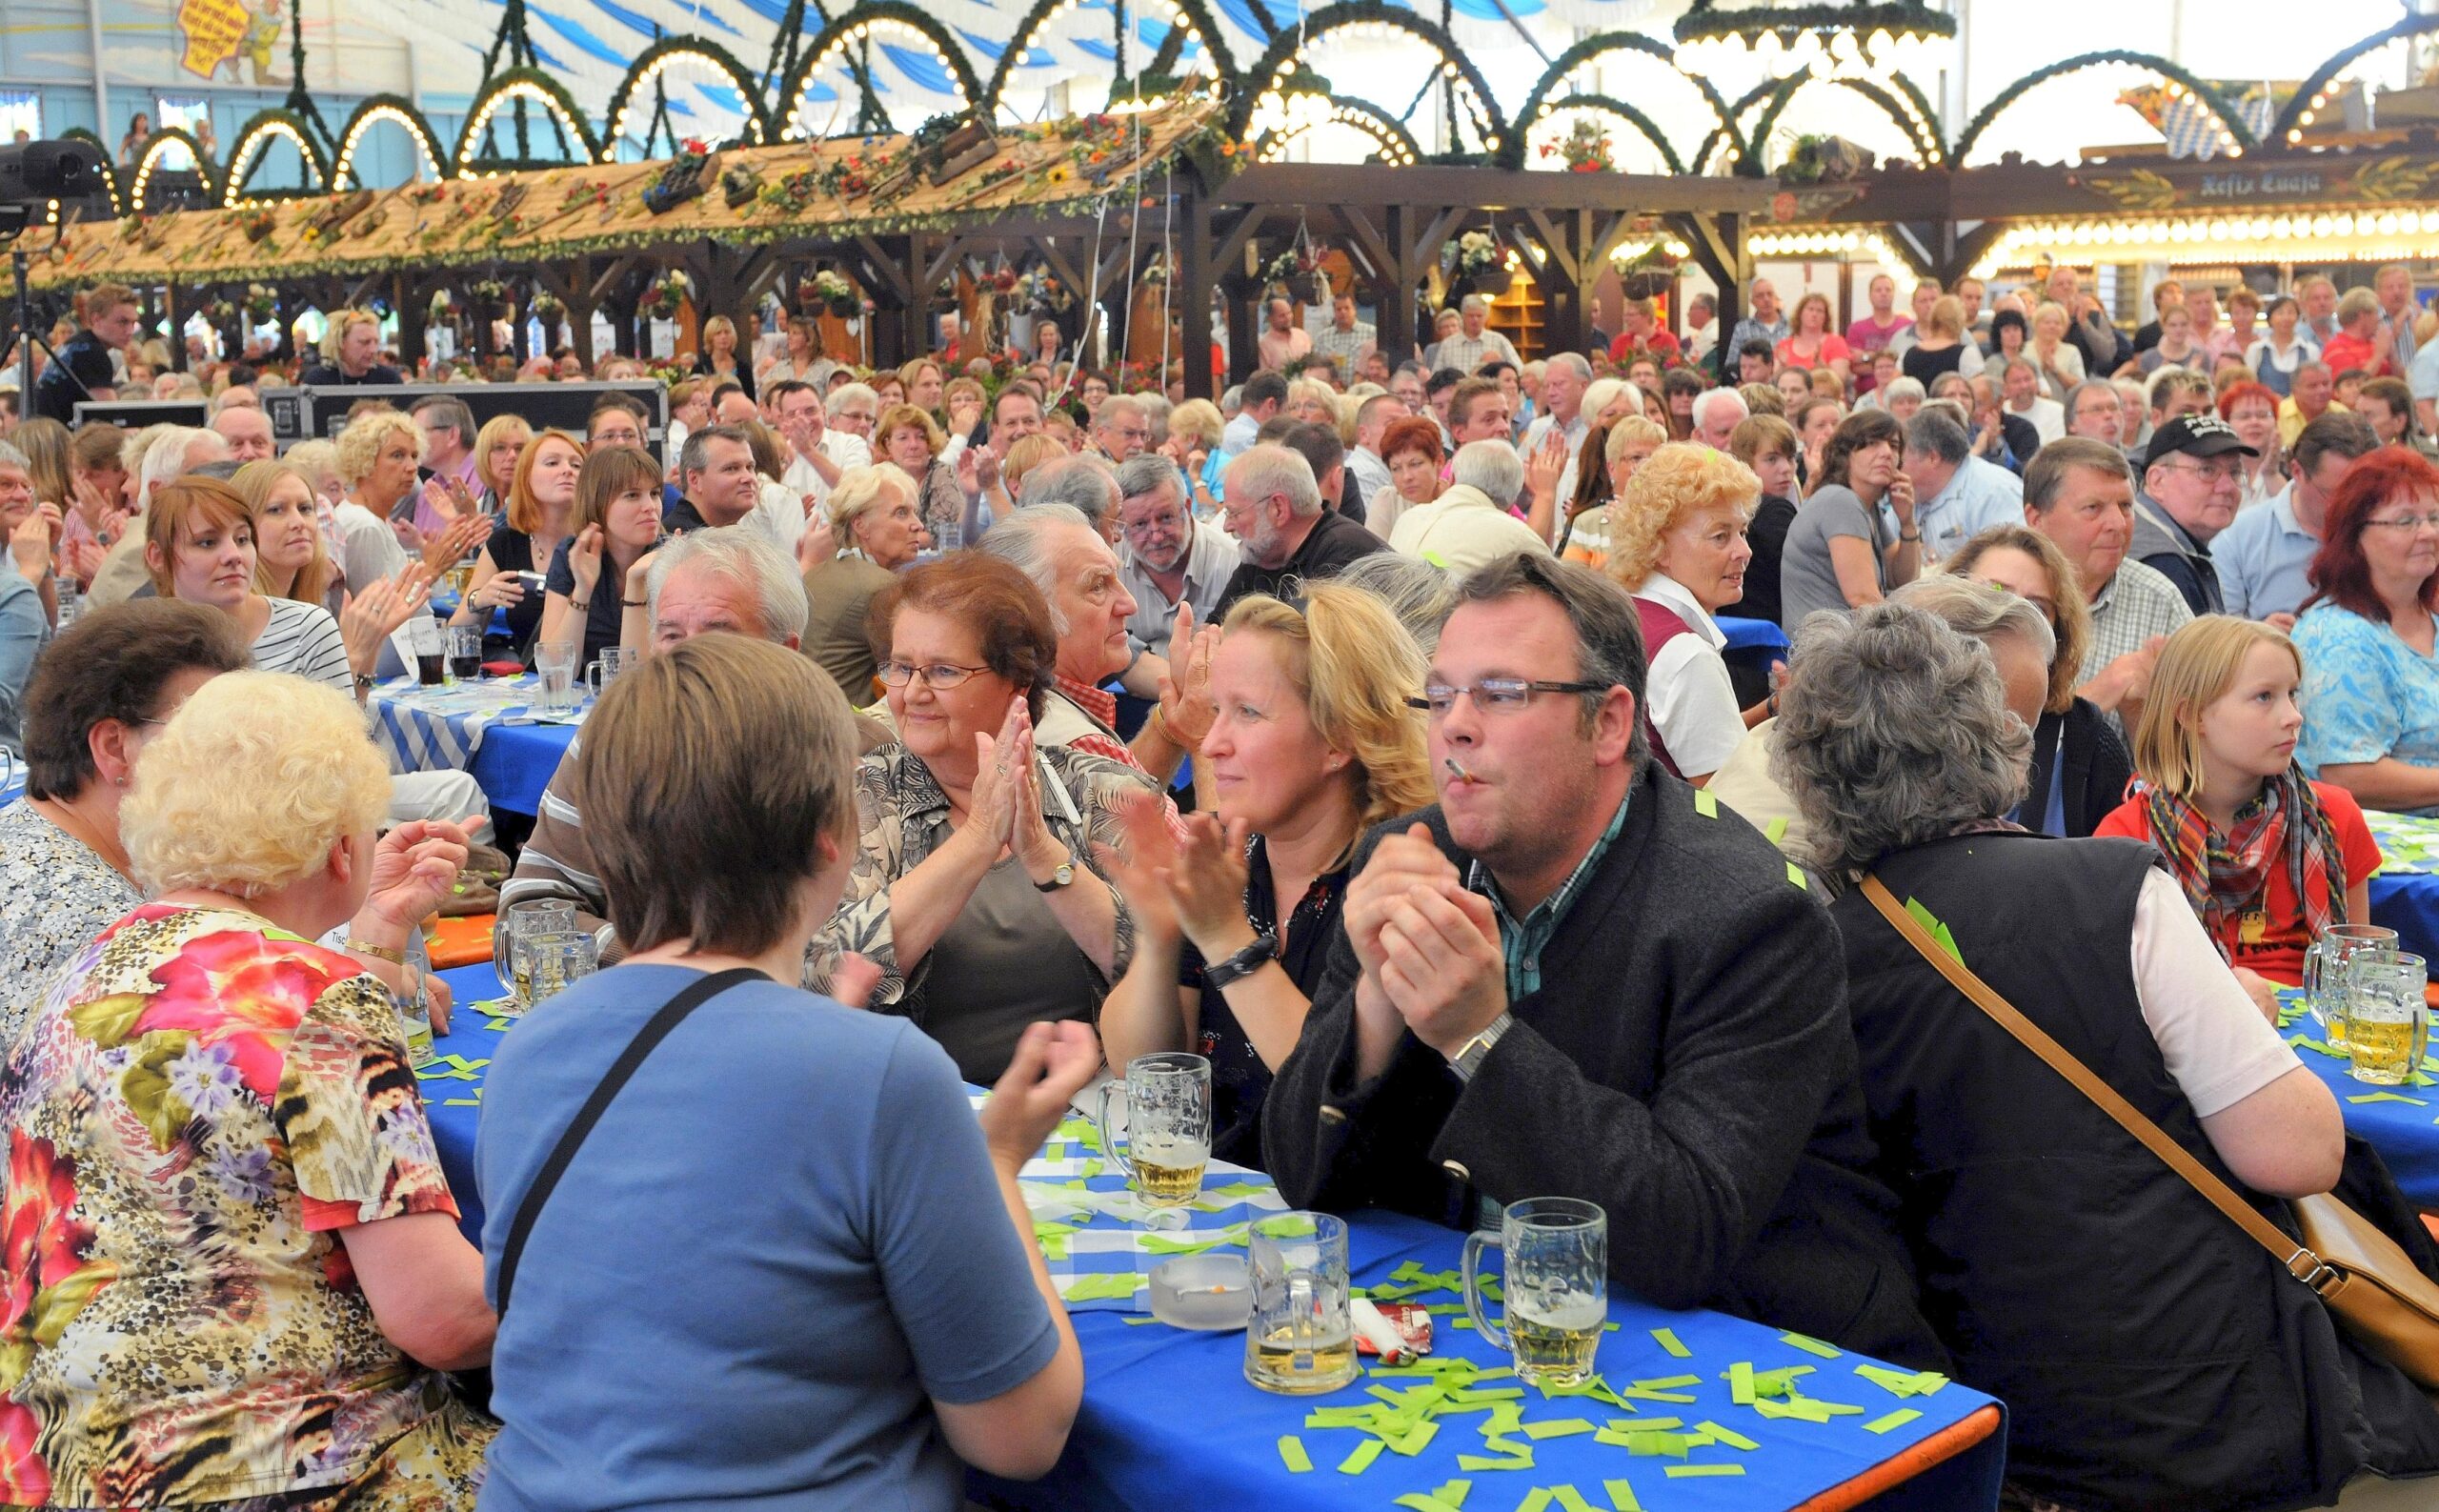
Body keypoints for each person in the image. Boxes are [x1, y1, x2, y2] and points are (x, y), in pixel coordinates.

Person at [1779, 599, 2439, 1512]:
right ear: (1994, 741)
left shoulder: (1814, 946)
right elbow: (2299, 1153)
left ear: (1812, 771)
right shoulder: (2108, 885)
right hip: (2196, 1386)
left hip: (1972, 1408)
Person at [1260, 553, 1939, 1364]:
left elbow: (1683, 1235)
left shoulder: (1751, 913)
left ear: (1611, 724)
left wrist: (1478, 1035)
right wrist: (1374, 1001)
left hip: (1752, 1364)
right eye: (1440, 696)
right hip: (1480, 1336)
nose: (1455, 726)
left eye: (1502, 693)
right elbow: (1301, 1176)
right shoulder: (1407, 854)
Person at [477, 634, 1088, 1511]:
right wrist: (994, 1167)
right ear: (832, 842)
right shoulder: (877, 1076)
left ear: (601, 843)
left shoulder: (532, 1050)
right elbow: (1022, 1433)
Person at [0, 671, 498, 1506]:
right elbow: (440, 1318)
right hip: (272, 1471)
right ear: (343, 847)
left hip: (60, 1465)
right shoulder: (320, 1001)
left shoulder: (93, 965)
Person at [1099, 584, 1433, 1167]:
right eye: (1216, 711)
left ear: (1339, 738)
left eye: (1248, 713)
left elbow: (1336, 1092)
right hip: (1224, 1209)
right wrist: (1158, 939)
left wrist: (1228, 938)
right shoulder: (1235, 863)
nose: (1214, 741)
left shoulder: (1397, 876)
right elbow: (1141, 1065)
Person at [807, 554, 1148, 1081]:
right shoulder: (860, 796)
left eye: (943, 671)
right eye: (900, 667)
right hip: (918, 1113)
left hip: (1085, 1112)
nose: (913, 692)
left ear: (1015, 681)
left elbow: (1163, 973)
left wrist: (1042, 854)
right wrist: (977, 841)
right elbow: (818, 977)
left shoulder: (1096, 790)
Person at [505, 526, 889, 951]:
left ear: (786, 650)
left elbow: (870, 936)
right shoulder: (615, 742)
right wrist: (653, 966)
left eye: (719, 634)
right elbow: (529, 907)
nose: (690, 656)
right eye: (672, 635)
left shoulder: (857, 754)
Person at [2096, 615, 2375, 1008]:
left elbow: (2361, 970)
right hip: (2192, 1043)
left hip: (2322, 1036)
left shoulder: (2334, 814)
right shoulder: (2126, 835)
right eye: (2265, 697)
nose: (2293, 716)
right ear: (2192, 716)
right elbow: (2115, 994)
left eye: (2292, 693)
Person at [0, 600, 246, 1030]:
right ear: (115, 748)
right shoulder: (98, 925)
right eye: (206, 735)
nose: (236, 762)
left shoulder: (32, 830)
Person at [1945, 525, 2134, 838]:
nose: (2013, 613)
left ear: (2057, 635)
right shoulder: (1901, 710)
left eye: (2037, 607)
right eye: (1995, 591)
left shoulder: (2087, 743)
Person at [2293, 446, 2439, 816]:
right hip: (2381, 851)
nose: (2427, 533)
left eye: (2434, 517)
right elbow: (2350, 776)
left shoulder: (2429, 619)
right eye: (2406, 521)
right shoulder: (2339, 636)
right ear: (2355, 537)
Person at [1602, 442, 1757, 785]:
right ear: (1659, 548)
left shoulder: (1622, 610)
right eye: (1721, 536)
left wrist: (1771, 712)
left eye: (1742, 532)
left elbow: (1684, 740)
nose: (1744, 550)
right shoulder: (1687, 656)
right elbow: (1730, 801)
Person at [2022, 437, 2192, 739]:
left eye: (2126, 506)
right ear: (2037, 519)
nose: (2118, 523)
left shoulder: (2158, 597)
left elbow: (2187, 754)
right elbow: (1986, 745)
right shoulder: (1999, 592)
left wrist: (2138, 710)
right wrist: (2095, 697)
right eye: (2093, 508)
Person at [2218, 412, 2379, 628]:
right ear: (2297, 472)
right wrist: (2259, 634)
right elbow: (2219, 638)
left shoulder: (2391, 529)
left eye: (2365, 495)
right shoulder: (2238, 538)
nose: (2352, 506)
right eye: (2337, 495)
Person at [454, 428, 581, 663]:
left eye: (577, 465)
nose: (567, 470)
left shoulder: (599, 543)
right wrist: (479, 600)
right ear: (526, 477)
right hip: (529, 684)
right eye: (552, 463)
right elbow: (456, 640)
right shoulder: (506, 542)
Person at [1779, 409, 1917, 624]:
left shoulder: (1868, 508)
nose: (1886, 453)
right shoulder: (1840, 501)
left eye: (1894, 445)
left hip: (1843, 643)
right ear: (1845, 455)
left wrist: (1907, 523)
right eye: (1872, 443)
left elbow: (1902, 580)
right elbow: (1863, 599)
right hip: (1824, 650)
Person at [802, 465, 926, 702]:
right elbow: (918, 668)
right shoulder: (879, 587)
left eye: (915, 512)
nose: (918, 525)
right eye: (901, 513)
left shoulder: (822, 571)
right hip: (845, 727)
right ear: (860, 525)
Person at [1216, 443, 1387, 614]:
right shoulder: (1264, 553)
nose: (1227, 526)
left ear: (1278, 509)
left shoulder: (1346, 558)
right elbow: (1213, 625)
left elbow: (1295, 638)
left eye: (1234, 513)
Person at [536, 444, 663, 672]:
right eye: (633, 495)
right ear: (597, 503)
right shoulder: (572, 555)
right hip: (590, 698)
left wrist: (636, 581)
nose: (650, 507)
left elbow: (640, 678)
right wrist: (583, 591)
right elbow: (555, 670)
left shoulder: (671, 558)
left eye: (654, 493)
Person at [1116, 453, 1237, 663]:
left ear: (1187, 508)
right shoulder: (1110, 564)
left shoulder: (1231, 563)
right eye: (1140, 525)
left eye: (1165, 518)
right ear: (1121, 523)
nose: (1156, 535)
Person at [2134, 413, 2250, 615]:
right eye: (2207, 470)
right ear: (2157, 481)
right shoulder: (2164, 564)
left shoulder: (2160, 537)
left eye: (2235, 472)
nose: (2227, 487)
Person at [1388, 440, 1550, 577]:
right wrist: (1547, 493)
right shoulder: (1515, 534)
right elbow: (1553, 594)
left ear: (1451, 479)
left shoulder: (1408, 518)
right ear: (1512, 501)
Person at [1904, 407, 2024, 565]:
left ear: (1933, 458)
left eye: (1901, 457)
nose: (1894, 465)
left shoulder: (1992, 492)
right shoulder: (1909, 492)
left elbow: (2011, 572)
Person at [1715, 413, 1800, 627]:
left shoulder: (1729, 506)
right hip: (1771, 629)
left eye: (1790, 458)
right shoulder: (1774, 509)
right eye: (1772, 459)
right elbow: (1798, 572)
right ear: (1746, 464)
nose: (1786, 468)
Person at [233, 457, 339, 615]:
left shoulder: (312, 602)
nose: (299, 522)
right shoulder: (236, 612)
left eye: (305, 508)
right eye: (276, 510)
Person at [31, 283, 137, 425]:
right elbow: (110, 418)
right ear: (96, 319)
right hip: (60, 440)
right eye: (123, 322)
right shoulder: (92, 353)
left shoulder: (76, 345)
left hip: (44, 433)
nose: (130, 331)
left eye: (133, 323)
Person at [1365, 414, 1445, 543]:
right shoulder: (1387, 500)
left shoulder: (1456, 500)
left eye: (1415, 464)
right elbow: (1374, 557)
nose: (1407, 477)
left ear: (1439, 462)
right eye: (1396, 468)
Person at [301, 308, 404, 386]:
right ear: (341, 342)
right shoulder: (317, 381)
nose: (373, 350)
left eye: (376, 342)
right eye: (364, 342)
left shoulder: (389, 380)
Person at [1844, 273, 1911, 393]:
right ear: (1870, 296)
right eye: (1878, 290)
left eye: (1888, 290)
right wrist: (1893, 365)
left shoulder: (1908, 326)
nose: (1883, 293)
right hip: (1866, 393)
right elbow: (1854, 366)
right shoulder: (1856, 328)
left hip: (1901, 393)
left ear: (1894, 294)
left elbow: (1910, 363)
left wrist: (1867, 356)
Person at [2249, 293, 2319, 398]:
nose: (2285, 318)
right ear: (2270, 318)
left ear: (2297, 318)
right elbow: (2249, 385)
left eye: (2290, 312)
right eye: (2280, 313)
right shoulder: (2256, 349)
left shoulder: (2311, 350)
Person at [1900, 295, 1971, 389]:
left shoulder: (1908, 353)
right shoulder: (1966, 354)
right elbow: (1978, 391)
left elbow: (1895, 389)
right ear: (1959, 321)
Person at [470, 413, 531, 516]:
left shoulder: (542, 505)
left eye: (519, 449)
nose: (512, 456)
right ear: (484, 455)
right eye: (500, 448)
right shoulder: (480, 506)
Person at [692, 313, 754, 403]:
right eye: (718, 333)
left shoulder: (743, 368)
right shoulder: (700, 368)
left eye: (727, 332)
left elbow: (751, 400)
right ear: (710, 337)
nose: (723, 337)